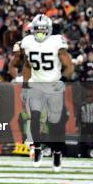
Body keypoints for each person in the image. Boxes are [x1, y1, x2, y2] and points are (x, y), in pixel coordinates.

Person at [20, 14, 73, 171]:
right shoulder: (28, 42)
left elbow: (69, 65)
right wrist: (24, 85)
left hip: (53, 86)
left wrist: (62, 79)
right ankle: (37, 149)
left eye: (43, 30)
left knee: (55, 123)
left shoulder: (56, 41)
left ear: (49, 30)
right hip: (36, 85)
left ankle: (57, 152)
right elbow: (27, 66)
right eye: (37, 30)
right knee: (34, 117)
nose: (40, 33)